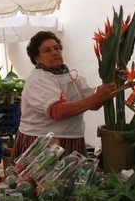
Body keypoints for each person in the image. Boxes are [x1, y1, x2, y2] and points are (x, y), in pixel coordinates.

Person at [11, 31, 117, 161]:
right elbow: (57, 111)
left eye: (56, 48)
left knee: (71, 181)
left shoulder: (71, 77)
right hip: (42, 143)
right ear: (36, 58)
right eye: (47, 51)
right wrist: (98, 97)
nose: (55, 52)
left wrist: (111, 84)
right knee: (42, 181)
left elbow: (93, 104)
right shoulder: (37, 80)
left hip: (72, 141)